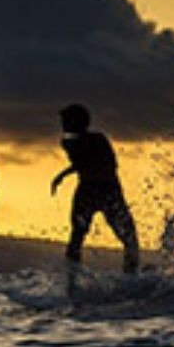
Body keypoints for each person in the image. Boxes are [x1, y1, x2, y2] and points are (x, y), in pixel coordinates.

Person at [50, 103, 140, 274]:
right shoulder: (70, 143)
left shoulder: (96, 139)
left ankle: (130, 274)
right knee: (77, 236)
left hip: (106, 190)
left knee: (129, 239)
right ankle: (71, 276)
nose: (62, 124)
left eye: (66, 120)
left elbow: (107, 164)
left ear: (78, 122)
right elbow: (83, 163)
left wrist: (63, 174)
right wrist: (64, 174)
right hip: (92, 190)